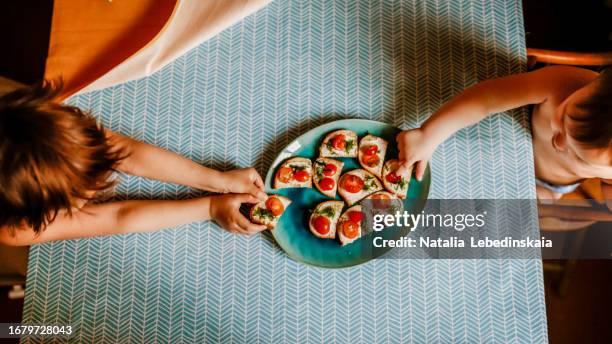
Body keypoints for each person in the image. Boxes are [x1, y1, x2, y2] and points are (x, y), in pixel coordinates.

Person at [0, 81, 269, 246]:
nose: (96, 190)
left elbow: (126, 151)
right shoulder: (14, 232)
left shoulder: (49, 132)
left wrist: (218, 181)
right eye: (78, 200)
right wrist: (210, 207)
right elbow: (116, 218)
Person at [396, 66, 612, 204]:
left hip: (549, 184)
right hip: (510, 137)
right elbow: (488, 98)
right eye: (562, 116)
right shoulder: (565, 82)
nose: (557, 141)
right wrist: (428, 134)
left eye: (579, 156)